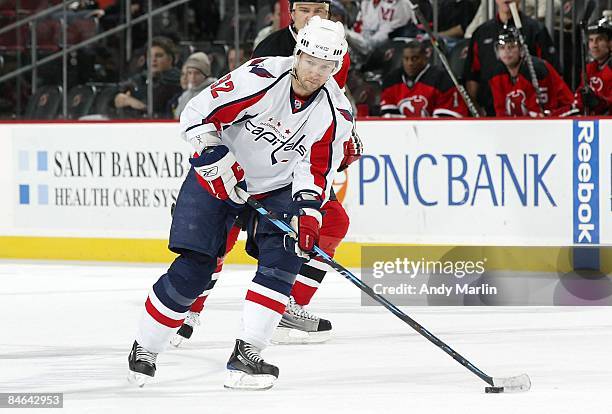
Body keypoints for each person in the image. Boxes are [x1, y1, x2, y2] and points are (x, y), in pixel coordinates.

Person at [127, 17, 353, 390]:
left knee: (283, 261)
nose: (316, 73)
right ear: (299, 53)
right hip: (217, 175)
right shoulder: (259, 77)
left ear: (336, 67)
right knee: (194, 269)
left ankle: (247, 355)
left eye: (326, 67)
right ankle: (146, 347)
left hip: (274, 189)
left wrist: (309, 216)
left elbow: (314, 170)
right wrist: (215, 155)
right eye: (311, 61)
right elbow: (195, 116)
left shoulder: (336, 112)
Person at [171, 0, 361, 347]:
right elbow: (233, 106)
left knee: (332, 221)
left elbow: (333, 105)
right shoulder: (272, 50)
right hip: (246, 162)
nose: (313, 16)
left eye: (320, 9)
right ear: (292, 13)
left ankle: (289, 303)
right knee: (219, 234)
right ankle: (188, 307)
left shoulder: (336, 47)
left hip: (293, 166)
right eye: (305, 9)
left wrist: (345, 138)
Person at [463, 0, 557, 116]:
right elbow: (472, 74)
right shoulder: (481, 32)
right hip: (490, 113)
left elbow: (549, 73)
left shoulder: (535, 29)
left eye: (512, 46)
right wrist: (476, 110)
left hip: (531, 113)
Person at [487, 28, 575, 117]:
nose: (506, 51)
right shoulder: (497, 74)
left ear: (521, 49)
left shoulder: (536, 69)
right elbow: (501, 112)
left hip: (561, 117)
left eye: (511, 47)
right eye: (502, 48)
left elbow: (542, 113)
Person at [380, 40, 469, 118]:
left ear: (425, 58)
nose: (410, 63)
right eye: (406, 59)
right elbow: (388, 117)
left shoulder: (442, 79)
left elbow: (445, 120)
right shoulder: (391, 80)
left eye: (415, 58)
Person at [113, 36, 182, 118]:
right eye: (150, 56)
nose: (153, 60)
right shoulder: (139, 79)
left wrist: (137, 104)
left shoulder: (179, 81)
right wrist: (118, 98)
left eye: (159, 55)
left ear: (170, 59)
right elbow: (112, 94)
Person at [345, 0, 414, 68]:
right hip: (370, 40)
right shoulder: (368, 3)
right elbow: (367, 28)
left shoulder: (404, 3)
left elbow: (412, 25)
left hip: (392, 43)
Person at [574, 13, 611, 115]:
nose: (594, 45)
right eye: (591, 40)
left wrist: (598, 102)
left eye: (599, 39)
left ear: (610, 43)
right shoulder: (589, 68)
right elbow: (578, 100)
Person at [173, 52, 218, 119]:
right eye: (190, 73)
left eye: (197, 73)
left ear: (205, 74)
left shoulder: (212, 92)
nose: (192, 77)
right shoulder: (185, 95)